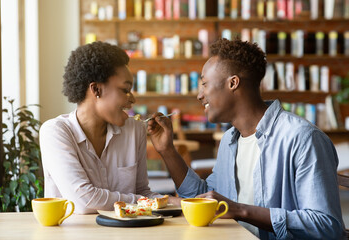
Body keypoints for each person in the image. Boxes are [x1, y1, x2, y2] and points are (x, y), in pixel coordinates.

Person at [147, 39, 346, 239]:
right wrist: (167, 151)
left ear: (233, 83)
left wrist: (241, 210)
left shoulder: (303, 138)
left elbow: (326, 226)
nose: (199, 95)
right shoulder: (229, 141)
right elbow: (206, 197)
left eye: (205, 84)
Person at [40, 41, 163, 214]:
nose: (132, 99)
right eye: (125, 90)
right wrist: (145, 201)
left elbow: (142, 192)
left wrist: (176, 203)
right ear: (96, 89)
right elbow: (84, 201)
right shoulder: (55, 132)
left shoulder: (134, 130)